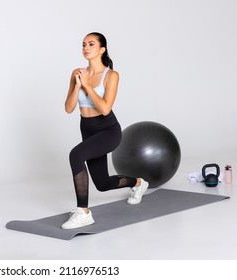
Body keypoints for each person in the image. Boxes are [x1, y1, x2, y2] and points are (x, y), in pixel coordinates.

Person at [62, 32, 149, 230]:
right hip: (88, 129)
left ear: (102, 49)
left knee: (76, 155)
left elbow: (105, 109)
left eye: (91, 44)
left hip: (108, 130)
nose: (86, 48)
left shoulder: (111, 75)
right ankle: (138, 183)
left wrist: (87, 86)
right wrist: (77, 85)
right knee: (102, 184)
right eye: (83, 44)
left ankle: (83, 212)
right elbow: (68, 108)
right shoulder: (77, 72)